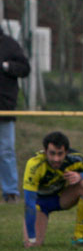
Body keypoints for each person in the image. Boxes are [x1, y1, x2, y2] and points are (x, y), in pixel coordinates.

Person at [22, 131, 83, 248]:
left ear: (66, 152)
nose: (56, 159)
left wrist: (81, 176)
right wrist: (31, 236)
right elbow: (29, 202)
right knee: (33, 244)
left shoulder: (75, 159)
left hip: (61, 198)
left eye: (60, 154)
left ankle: (79, 238)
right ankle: (33, 238)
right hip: (39, 204)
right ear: (45, 151)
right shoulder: (34, 165)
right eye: (52, 153)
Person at [0, 26, 31, 203]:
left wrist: (7, 66)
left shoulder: (10, 45)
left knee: (6, 151)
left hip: (4, 107)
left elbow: (25, 68)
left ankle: (10, 192)